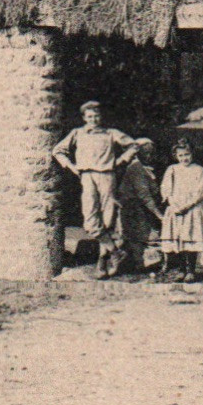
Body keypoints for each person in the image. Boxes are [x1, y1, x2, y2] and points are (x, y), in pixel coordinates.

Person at [52, 100, 137, 278]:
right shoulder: (77, 133)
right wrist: (71, 166)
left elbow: (134, 145)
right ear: (84, 118)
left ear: (101, 116)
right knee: (91, 222)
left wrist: (120, 161)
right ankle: (115, 252)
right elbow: (58, 150)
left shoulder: (111, 133)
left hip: (107, 175)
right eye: (90, 116)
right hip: (86, 176)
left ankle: (102, 262)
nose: (94, 119)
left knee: (108, 220)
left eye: (96, 115)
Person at [158, 138, 203, 282]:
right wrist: (173, 204)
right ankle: (181, 269)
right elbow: (166, 188)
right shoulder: (172, 169)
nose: (184, 158)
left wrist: (186, 206)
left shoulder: (199, 170)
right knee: (178, 239)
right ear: (176, 156)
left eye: (187, 154)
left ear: (192, 154)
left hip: (192, 208)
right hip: (175, 208)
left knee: (190, 238)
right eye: (180, 155)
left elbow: (201, 192)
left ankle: (190, 270)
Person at [117, 138, 165, 274]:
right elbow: (144, 195)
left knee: (138, 236)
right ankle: (137, 265)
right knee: (137, 236)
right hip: (132, 208)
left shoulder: (145, 169)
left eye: (151, 153)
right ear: (138, 153)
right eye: (146, 153)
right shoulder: (136, 168)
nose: (149, 156)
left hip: (139, 208)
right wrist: (158, 214)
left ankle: (135, 264)